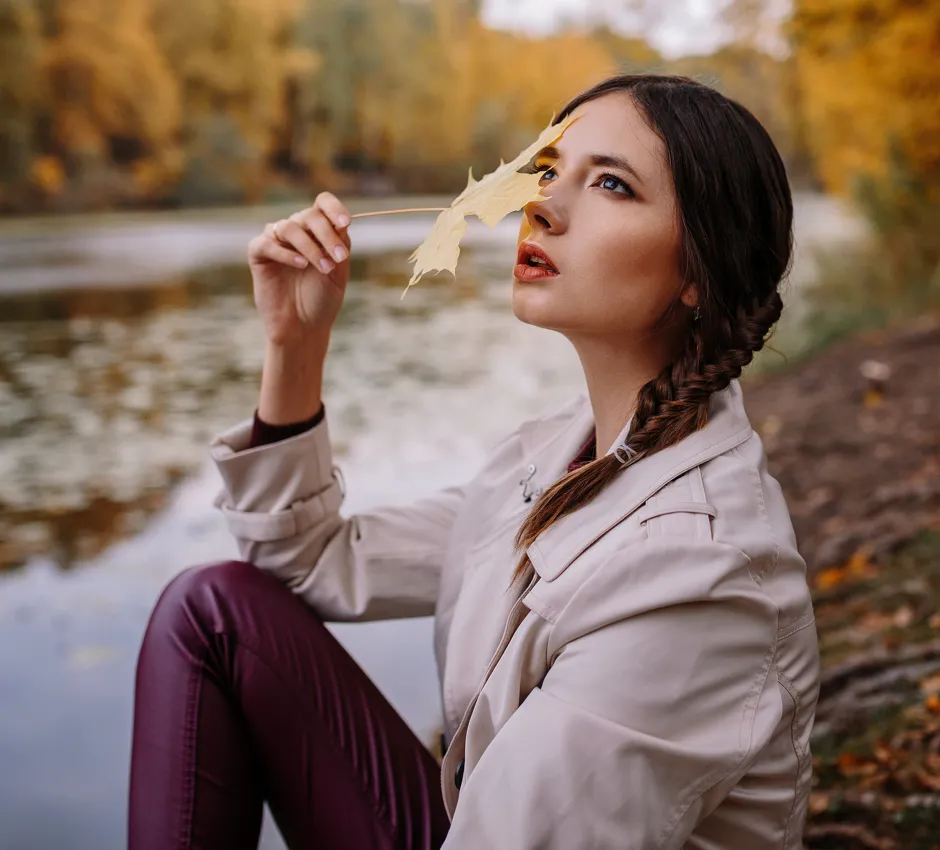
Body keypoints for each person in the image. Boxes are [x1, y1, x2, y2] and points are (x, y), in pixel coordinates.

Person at [128, 74, 819, 850]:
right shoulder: (559, 451)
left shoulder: (700, 577)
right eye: (549, 170)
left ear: (699, 270)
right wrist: (295, 344)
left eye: (613, 185)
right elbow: (308, 562)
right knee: (213, 611)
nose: (544, 205)